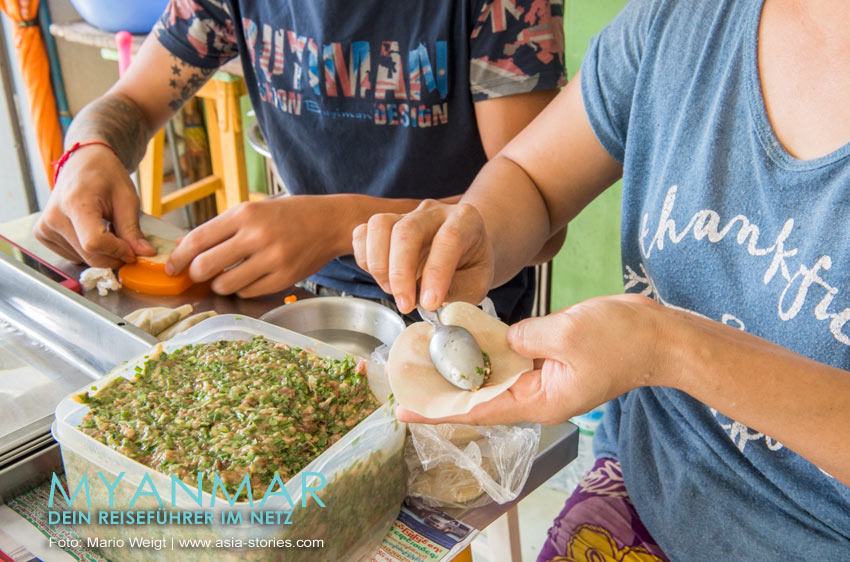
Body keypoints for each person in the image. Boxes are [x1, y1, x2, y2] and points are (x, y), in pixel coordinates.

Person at [353, 0, 850, 559]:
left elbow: (660, 346)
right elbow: (533, 180)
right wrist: (478, 233)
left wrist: (666, 348)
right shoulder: (678, 21)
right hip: (644, 496)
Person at [34, 0, 568, 324]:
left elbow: (540, 222)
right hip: (300, 290)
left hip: (456, 296)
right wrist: (90, 150)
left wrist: (341, 225)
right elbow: (128, 103)